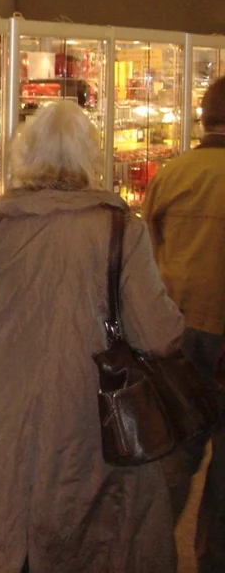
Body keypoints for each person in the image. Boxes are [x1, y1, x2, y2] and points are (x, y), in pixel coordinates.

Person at [0, 101, 183, 572]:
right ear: (91, 155)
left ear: (26, 153)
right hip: (90, 421)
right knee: (92, 539)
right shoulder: (120, 229)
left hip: (4, 417)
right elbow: (159, 335)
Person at [143, 76, 225, 573]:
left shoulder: (173, 173)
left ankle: (149, 555)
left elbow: (149, 252)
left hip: (178, 330)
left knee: (174, 453)